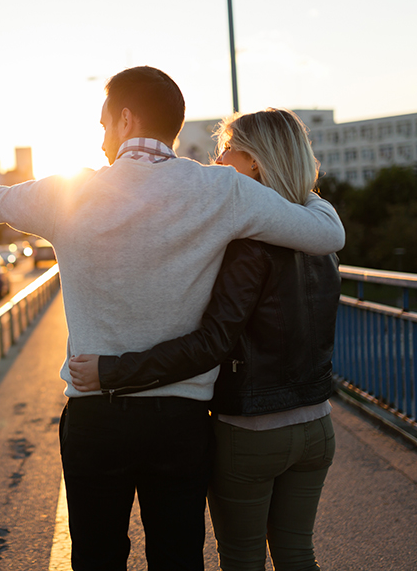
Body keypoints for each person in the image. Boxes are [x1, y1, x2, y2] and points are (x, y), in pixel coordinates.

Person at [0, 67, 344, 570]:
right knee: (178, 557)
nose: (100, 141)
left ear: (124, 119)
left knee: (98, 558)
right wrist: (300, 181)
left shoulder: (70, 194)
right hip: (182, 421)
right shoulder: (223, 190)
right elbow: (325, 236)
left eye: (102, 126)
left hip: (97, 415)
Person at [69, 108, 340, 571]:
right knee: (298, 554)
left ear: (254, 161)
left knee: (243, 557)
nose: (217, 160)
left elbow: (211, 343)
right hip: (317, 422)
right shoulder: (319, 237)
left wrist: (112, 371)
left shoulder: (248, 243)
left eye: (227, 149)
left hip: (253, 429)